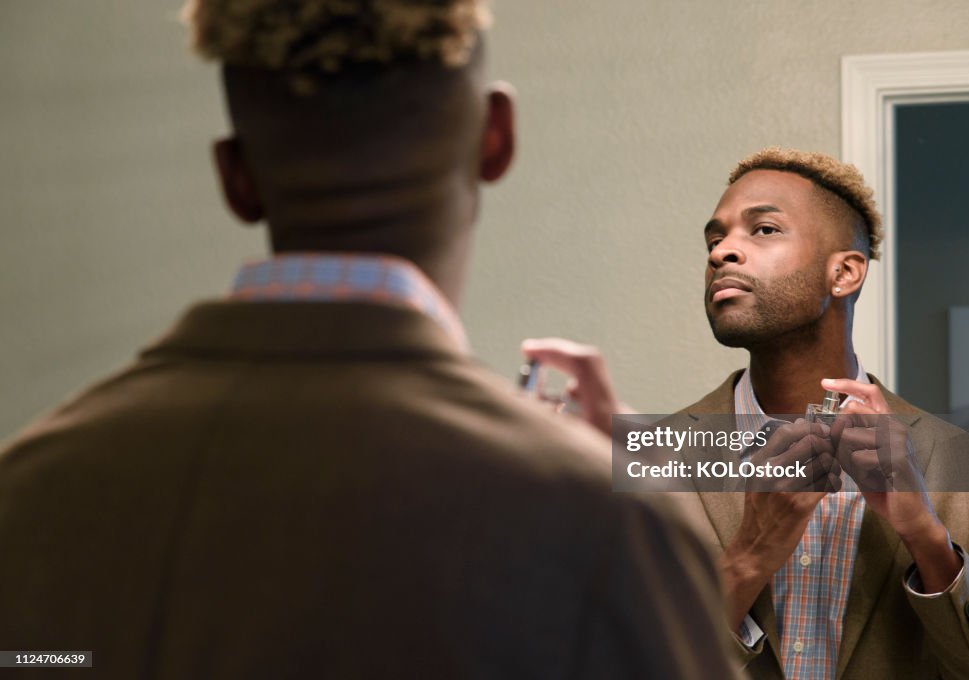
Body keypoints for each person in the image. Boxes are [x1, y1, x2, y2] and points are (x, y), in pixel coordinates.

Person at [0, 2, 742, 678]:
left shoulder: (27, 488)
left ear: (235, 177)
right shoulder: (607, 529)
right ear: (496, 137)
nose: (728, 252)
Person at [524, 147, 969, 678]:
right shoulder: (644, 458)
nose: (722, 253)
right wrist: (747, 560)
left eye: (763, 230)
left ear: (845, 273)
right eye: (715, 239)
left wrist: (925, 535)